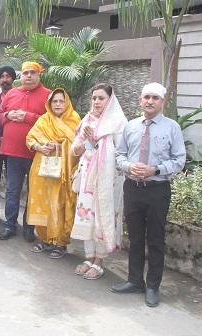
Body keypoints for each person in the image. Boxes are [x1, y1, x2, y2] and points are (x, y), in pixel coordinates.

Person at [112, 82, 186, 307]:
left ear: (162, 102)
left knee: (154, 239)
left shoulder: (172, 127)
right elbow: (119, 155)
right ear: (140, 100)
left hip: (157, 190)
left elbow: (180, 160)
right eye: (146, 97)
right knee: (134, 238)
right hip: (132, 188)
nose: (150, 101)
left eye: (155, 98)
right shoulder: (131, 126)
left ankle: (153, 286)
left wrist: (156, 169)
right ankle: (134, 280)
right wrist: (128, 166)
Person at [71, 83, 127, 280]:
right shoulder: (87, 119)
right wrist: (88, 141)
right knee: (87, 216)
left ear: (110, 100)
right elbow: (76, 150)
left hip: (107, 179)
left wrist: (94, 142)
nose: (96, 102)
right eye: (94, 98)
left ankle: (100, 261)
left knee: (102, 216)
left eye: (101, 98)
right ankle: (89, 257)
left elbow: (121, 153)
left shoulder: (118, 123)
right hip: (87, 176)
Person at [26, 88, 81, 258]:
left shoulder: (75, 120)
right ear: (49, 104)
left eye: (61, 101)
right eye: (54, 101)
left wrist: (60, 145)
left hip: (64, 169)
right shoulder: (44, 120)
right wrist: (41, 146)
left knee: (60, 203)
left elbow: (78, 145)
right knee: (43, 203)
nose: (57, 104)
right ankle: (44, 239)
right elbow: (30, 138)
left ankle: (60, 242)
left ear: (67, 103)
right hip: (42, 168)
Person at [0, 61, 50, 241]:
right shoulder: (12, 93)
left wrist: (28, 117)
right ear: (20, 76)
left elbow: (51, 121)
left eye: (32, 73)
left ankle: (29, 227)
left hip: (36, 152)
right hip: (12, 152)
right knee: (12, 190)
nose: (28, 76)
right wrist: (7, 115)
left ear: (39, 75)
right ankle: (10, 225)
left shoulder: (48, 95)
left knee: (34, 191)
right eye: (25, 72)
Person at [0, 65, 16, 223]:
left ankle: (10, 218)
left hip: (12, 144)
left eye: (8, 76)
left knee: (12, 181)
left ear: (13, 79)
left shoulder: (18, 95)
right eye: (2, 77)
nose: (5, 79)